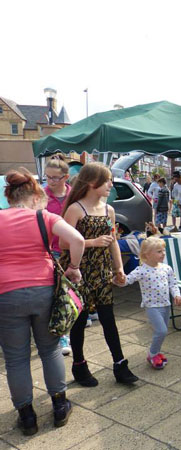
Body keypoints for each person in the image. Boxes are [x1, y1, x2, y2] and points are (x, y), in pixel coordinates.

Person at [0, 168, 85, 435]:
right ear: (36, 195)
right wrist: (73, 267)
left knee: (15, 359)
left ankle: (27, 417)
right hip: (43, 290)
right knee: (49, 350)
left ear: (8, 196)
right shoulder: (44, 217)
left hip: (6, 294)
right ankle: (60, 406)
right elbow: (77, 239)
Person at [60, 162, 139, 387]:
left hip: (102, 271)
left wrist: (119, 269)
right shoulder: (75, 209)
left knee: (108, 319)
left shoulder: (108, 209)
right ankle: (79, 365)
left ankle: (120, 365)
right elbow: (64, 243)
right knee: (80, 320)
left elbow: (113, 241)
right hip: (79, 272)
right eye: (107, 181)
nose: (111, 185)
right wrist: (93, 242)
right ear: (93, 183)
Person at [115, 238, 181, 369]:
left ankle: (156, 352)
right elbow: (126, 281)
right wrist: (118, 279)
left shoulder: (166, 268)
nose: (163, 253)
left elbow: (173, 284)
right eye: (159, 251)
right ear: (147, 254)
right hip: (152, 306)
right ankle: (152, 354)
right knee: (161, 331)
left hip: (166, 304)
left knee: (163, 331)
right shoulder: (141, 270)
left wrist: (177, 295)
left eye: (163, 250)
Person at [43, 154, 73, 356]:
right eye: (48, 177)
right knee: (57, 294)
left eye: (56, 178)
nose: (51, 182)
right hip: (51, 251)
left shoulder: (74, 195)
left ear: (66, 177)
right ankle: (63, 336)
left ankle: (77, 318)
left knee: (72, 290)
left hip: (74, 249)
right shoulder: (41, 196)